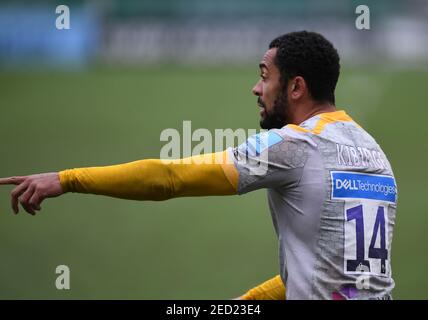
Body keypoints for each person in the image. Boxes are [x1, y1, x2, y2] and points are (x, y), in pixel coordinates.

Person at [0, 31, 397, 300]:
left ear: (296, 87)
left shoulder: (295, 145)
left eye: (265, 76)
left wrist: (67, 179)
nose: (256, 88)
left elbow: (169, 178)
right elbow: (332, 274)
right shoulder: (373, 152)